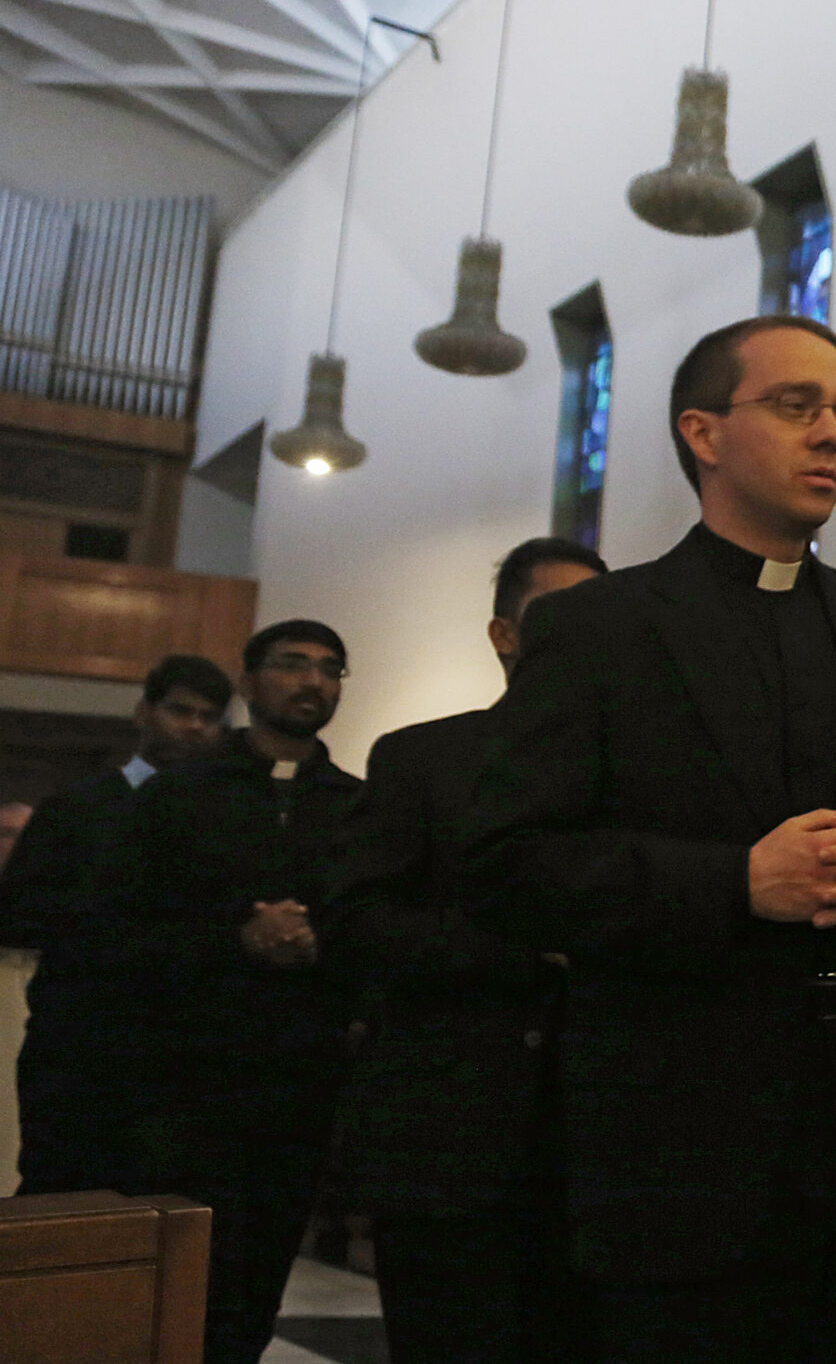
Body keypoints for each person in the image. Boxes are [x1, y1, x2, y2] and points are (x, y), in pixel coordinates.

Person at [456, 315, 836, 1364]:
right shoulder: (600, 628)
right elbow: (506, 864)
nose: (833, 434)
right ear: (704, 432)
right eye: (796, 405)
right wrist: (736, 882)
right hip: (685, 1141)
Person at [322, 536, 605, 1364]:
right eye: (557, 616)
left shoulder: (644, 771)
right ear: (503, 634)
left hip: (597, 1145)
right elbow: (358, 920)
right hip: (447, 1132)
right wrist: (524, 955)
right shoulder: (423, 759)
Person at [111, 622, 363, 1364]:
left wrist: (323, 941)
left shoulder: (360, 806)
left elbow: (378, 929)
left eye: (329, 668)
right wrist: (236, 937)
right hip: (186, 1080)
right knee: (175, 1286)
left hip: (301, 1082)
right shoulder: (178, 795)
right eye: (292, 664)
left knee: (257, 1282)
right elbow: (118, 928)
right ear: (249, 681)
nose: (312, 680)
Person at [0, 653, 230, 1194]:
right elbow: (19, 911)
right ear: (144, 712)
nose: (194, 727)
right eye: (181, 711)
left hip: (180, 1050)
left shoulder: (221, 816)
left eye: (208, 717)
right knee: (59, 1193)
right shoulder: (77, 807)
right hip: (80, 1039)